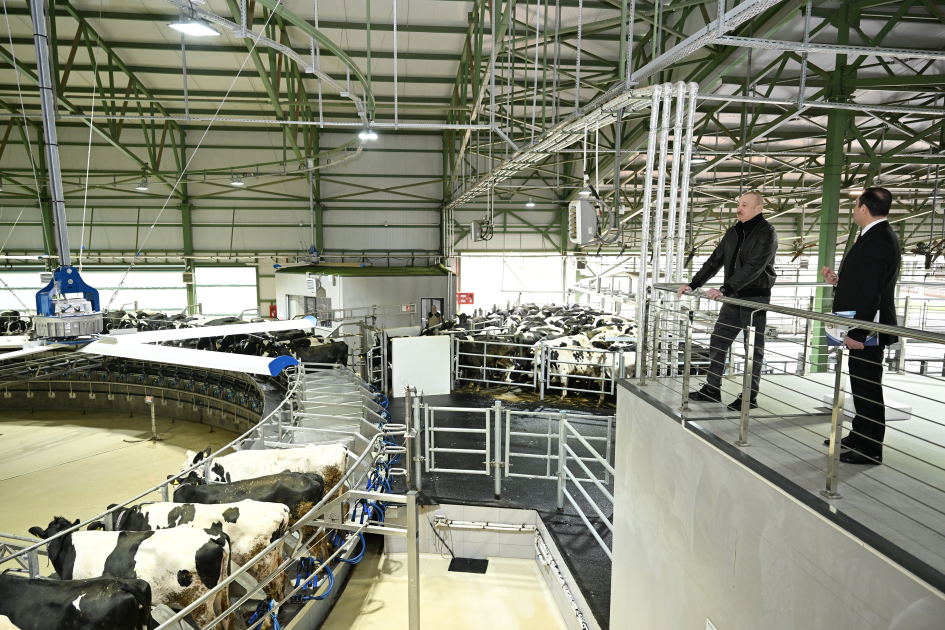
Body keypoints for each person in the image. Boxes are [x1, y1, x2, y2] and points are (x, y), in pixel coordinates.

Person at [677, 192, 779, 411]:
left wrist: (725, 288)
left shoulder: (767, 233)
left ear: (758, 209)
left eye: (744, 205)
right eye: (738, 205)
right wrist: (694, 284)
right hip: (732, 297)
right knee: (719, 340)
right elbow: (715, 261)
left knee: (752, 349)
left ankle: (749, 397)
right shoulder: (733, 232)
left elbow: (754, 266)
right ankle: (712, 389)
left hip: (754, 299)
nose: (739, 209)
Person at [821, 187, 900, 465]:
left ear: (864, 208)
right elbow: (865, 282)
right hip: (865, 323)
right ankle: (859, 434)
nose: (854, 209)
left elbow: (873, 293)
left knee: (868, 386)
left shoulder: (878, 239)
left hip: (868, 327)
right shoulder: (876, 236)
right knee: (860, 383)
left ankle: (871, 447)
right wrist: (839, 281)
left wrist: (858, 332)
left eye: (855, 205)